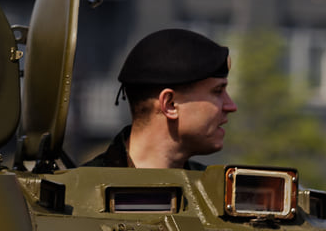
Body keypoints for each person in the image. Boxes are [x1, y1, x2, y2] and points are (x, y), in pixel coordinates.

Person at [85, 27, 237, 169]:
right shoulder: (79, 191)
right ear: (170, 104)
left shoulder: (218, 191)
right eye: (217, 91)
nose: (231, 106)